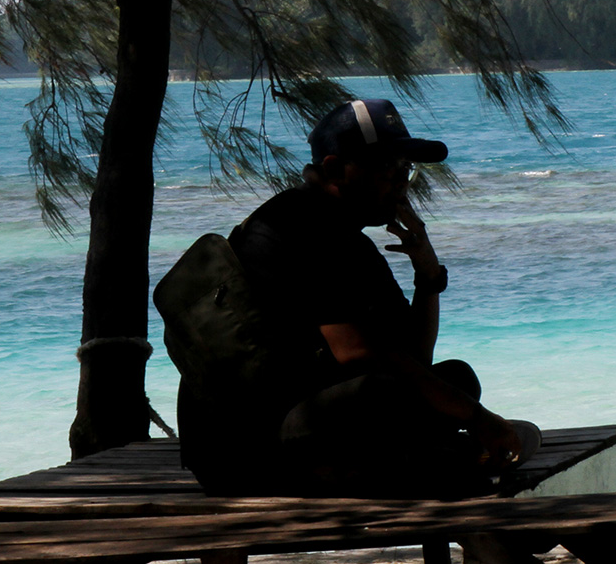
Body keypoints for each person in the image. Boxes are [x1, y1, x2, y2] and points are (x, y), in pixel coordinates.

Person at [176, 98, 539, 497]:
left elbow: (418, 359)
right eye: (386, 167)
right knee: (382, 392)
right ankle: (443, 460)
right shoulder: (294, 226)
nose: (401, 182)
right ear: (334, 169)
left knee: (456, 378)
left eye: (406, 168)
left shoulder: (348, 236)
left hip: (302, 426)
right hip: (242, 453)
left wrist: (428, 275)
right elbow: (356, 352)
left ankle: (438, 457)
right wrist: (477, 417)